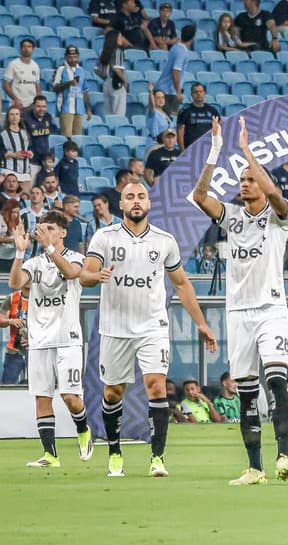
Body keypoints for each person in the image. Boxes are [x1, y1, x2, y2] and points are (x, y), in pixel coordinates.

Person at [81, 181, 216, 478]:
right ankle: (115, 452)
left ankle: (158, 458)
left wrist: (202, 323)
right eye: (130, 197)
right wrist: (95, 276)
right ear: (122, 205)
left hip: (152, 326)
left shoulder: (164, 241)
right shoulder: (104, 237)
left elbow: (181, 283)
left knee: (156, 385)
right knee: (113, 392)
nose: (136, 201)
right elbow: (85, 274)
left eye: (141, 196)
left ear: (149, 203)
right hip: (116, 327)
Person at [192, 117, 288, 486]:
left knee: (276, 381)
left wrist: (249, 151)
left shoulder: (280, 216)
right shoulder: (232, 216)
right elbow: (200, 197)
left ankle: (283, 455)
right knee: (247, 394)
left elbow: (274, 194)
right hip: (237, 312)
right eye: (242, 179)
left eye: (250, 178)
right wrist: (217, 150)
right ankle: (256, 467)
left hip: (271, 310)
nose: (244, 183)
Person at [9, 210, 93, 467]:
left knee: (70, 397)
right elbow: (15, 283)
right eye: (41, 228)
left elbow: (70, 273)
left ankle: (83, 430)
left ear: (63, 232)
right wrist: (20, 252)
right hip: (39, 340)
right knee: (42, 397)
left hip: (67, 338)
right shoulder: (34, 263)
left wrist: (48, 247)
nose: (44, 232)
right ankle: (50, 455)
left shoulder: (77, 258)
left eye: (50, 229)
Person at [153, 24, 195, 117]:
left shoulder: (176, 47)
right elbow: (175, 71)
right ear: (192, 38)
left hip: (164, 89)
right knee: (168, 122)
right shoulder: (182, 51)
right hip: (168, 92)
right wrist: (178, 92)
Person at [52, 46, 92, 138]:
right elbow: (55, 88)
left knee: (77, 139)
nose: (73, 59)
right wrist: (69, 83)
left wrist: (88, 109)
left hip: (79, 109)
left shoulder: (81, 70)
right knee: (67, 138)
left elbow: (85, 90)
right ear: (66, 57)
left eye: (75, 57)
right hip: (66, 108)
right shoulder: (61, 69)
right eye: (70, 57)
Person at [0, 285, 28, 384]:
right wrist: (11, 321)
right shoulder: (11, 298)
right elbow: (0, 320)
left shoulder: (42, 297)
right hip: (14, 351)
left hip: (36, 351)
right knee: (7, 385)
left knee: (39, 387)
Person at [177, 83, 221, 151]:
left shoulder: (212, 110)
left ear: (204, 93)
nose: (198, 94)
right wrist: (182, 152)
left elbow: (219, 129)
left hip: (209, 149)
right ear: (191, 94)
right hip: (191, 150)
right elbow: (180, 132)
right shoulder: (185, 111)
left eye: (201, 91)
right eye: (196, 92)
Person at [0, 106, 33, 192]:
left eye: (17, 114)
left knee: (27, 197)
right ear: (8, 117)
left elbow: (28, 148)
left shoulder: (25, 132)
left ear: (20, 117)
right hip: (10, 169)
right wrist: (13, 155)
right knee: (11, 198)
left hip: (25, 170)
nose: (14, 117)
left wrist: (29, 153)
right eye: (12, 114)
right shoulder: (3, 133)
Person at [3, 38, 41, 109]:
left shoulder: (35, 66)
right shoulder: (13, 64)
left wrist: (39, 101)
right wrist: (15, 99)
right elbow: (5, 85)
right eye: (24, 46)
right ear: (20, 49)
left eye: (29, 46)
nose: (26, 49)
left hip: (32, 105)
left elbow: (37, 86)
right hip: (17, 104)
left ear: (33, 49)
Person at [96, 32, 127, 117]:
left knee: (108, 114)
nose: (122, 39)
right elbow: (116, 68)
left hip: (106, 83)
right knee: (119, 114)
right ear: (115, 39)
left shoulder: (104, 52)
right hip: (116, 83)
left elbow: (97, 70)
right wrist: (125, 81)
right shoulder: (118, 51)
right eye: (120, 37)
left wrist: (106, 78)